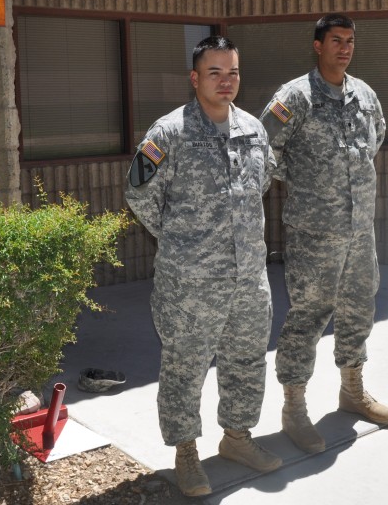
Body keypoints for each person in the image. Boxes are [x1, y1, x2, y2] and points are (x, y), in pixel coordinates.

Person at [125, 36, 280, 497]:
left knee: (246, 361)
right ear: (195, 78)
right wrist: (181, 242)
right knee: (185, 367)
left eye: (232, 72)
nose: (225, 81)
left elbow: (262, 181)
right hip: (189, 283)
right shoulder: (168, 133)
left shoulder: (254, 128)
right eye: (215, 72)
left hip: (249, 277)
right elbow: (139, 195)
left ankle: (237, 438)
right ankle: (187, 454)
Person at [259, 13, 388, 456]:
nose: (344, 48)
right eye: (336, 40)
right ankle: (294, 408)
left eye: (350, 41)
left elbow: (376, 138)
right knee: (308, 318)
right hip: (314, 235)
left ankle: (352, 390)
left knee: (359, 311)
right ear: (318, 46)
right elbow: (266, 153)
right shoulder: (294, 98)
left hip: (359, 233)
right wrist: (310, 185)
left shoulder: (365, 94)